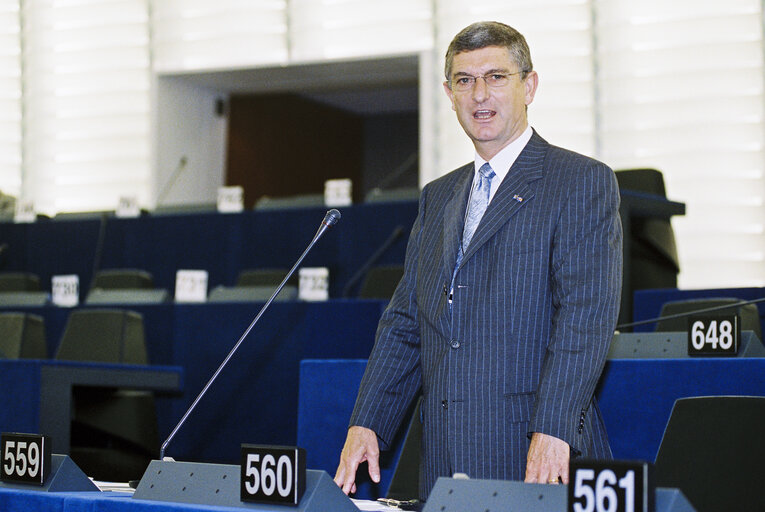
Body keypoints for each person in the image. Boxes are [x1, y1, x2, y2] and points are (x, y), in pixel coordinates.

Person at [334, 20, 622, 500]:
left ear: (529, 85)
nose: (480, 94)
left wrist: (554, 428)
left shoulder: (579, 181)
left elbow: (586, 317)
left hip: (537, 452)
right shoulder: (438, 197)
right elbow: (407, 323)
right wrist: (368, 422)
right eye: (465, 81)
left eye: (497, 77)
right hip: (445, 460)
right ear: (449, 94)